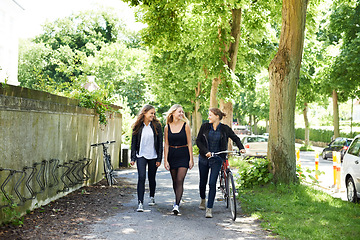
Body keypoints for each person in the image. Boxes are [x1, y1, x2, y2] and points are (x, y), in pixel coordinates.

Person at [196, 108, 245, 218]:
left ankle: (209, 208)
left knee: (212, 183)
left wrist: (241, 148)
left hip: (217, 159)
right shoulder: (204, 127)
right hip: (204, 158)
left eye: (210, 115)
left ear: (217, 116)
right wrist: (206, 152)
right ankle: (203, 199)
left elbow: (235, 138)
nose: (208, 117)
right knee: (203, 181)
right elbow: (198, 141)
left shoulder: (225, 129)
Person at [130, 104, 163, 212]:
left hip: (153, 155)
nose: (153, 115)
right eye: (151, 113)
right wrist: (133, 158)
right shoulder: (138, 126)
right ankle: (140, 202)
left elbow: (160, 143)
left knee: (151, 177)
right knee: (142, 177)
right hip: (141, 155)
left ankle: (152, 197)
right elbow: (133, 143)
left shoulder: (157, 125)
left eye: (154, 113)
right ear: (144, 113)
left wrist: (159, 159)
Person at [163, 104, 194, 215]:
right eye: (179, 112)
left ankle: (176, 204)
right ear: (173, 113)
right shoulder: (167, 127)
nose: (181, 114)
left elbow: (190, 143)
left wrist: (191, 159)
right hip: (172, 154)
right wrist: (165, 160)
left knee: (180, 179)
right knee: (175, 181)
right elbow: (166, 144)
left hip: (183, 154)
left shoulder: (185, 125)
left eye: (182, 112)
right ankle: (177, 199)